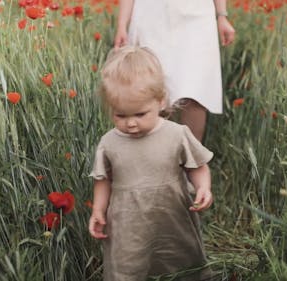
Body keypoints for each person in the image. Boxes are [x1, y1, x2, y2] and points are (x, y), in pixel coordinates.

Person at [88, 46, 216, 280]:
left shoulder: (176, 134)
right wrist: (98, 209)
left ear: (160, 101)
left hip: (172, 216)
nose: (131, 124)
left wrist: (203, 187)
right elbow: (103, 179)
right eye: (121, 115)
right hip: (128, 222)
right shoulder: (109, 142)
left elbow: (196, 166)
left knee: (179, 260)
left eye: (140, 114)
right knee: (128, 265)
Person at [113, 0, 236, 142]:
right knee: (153, 90)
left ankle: (192, 160)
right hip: (151, 16)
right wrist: (122, 24)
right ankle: (155, 159)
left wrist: (222, 15)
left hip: (197, 15)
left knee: (196, 92)